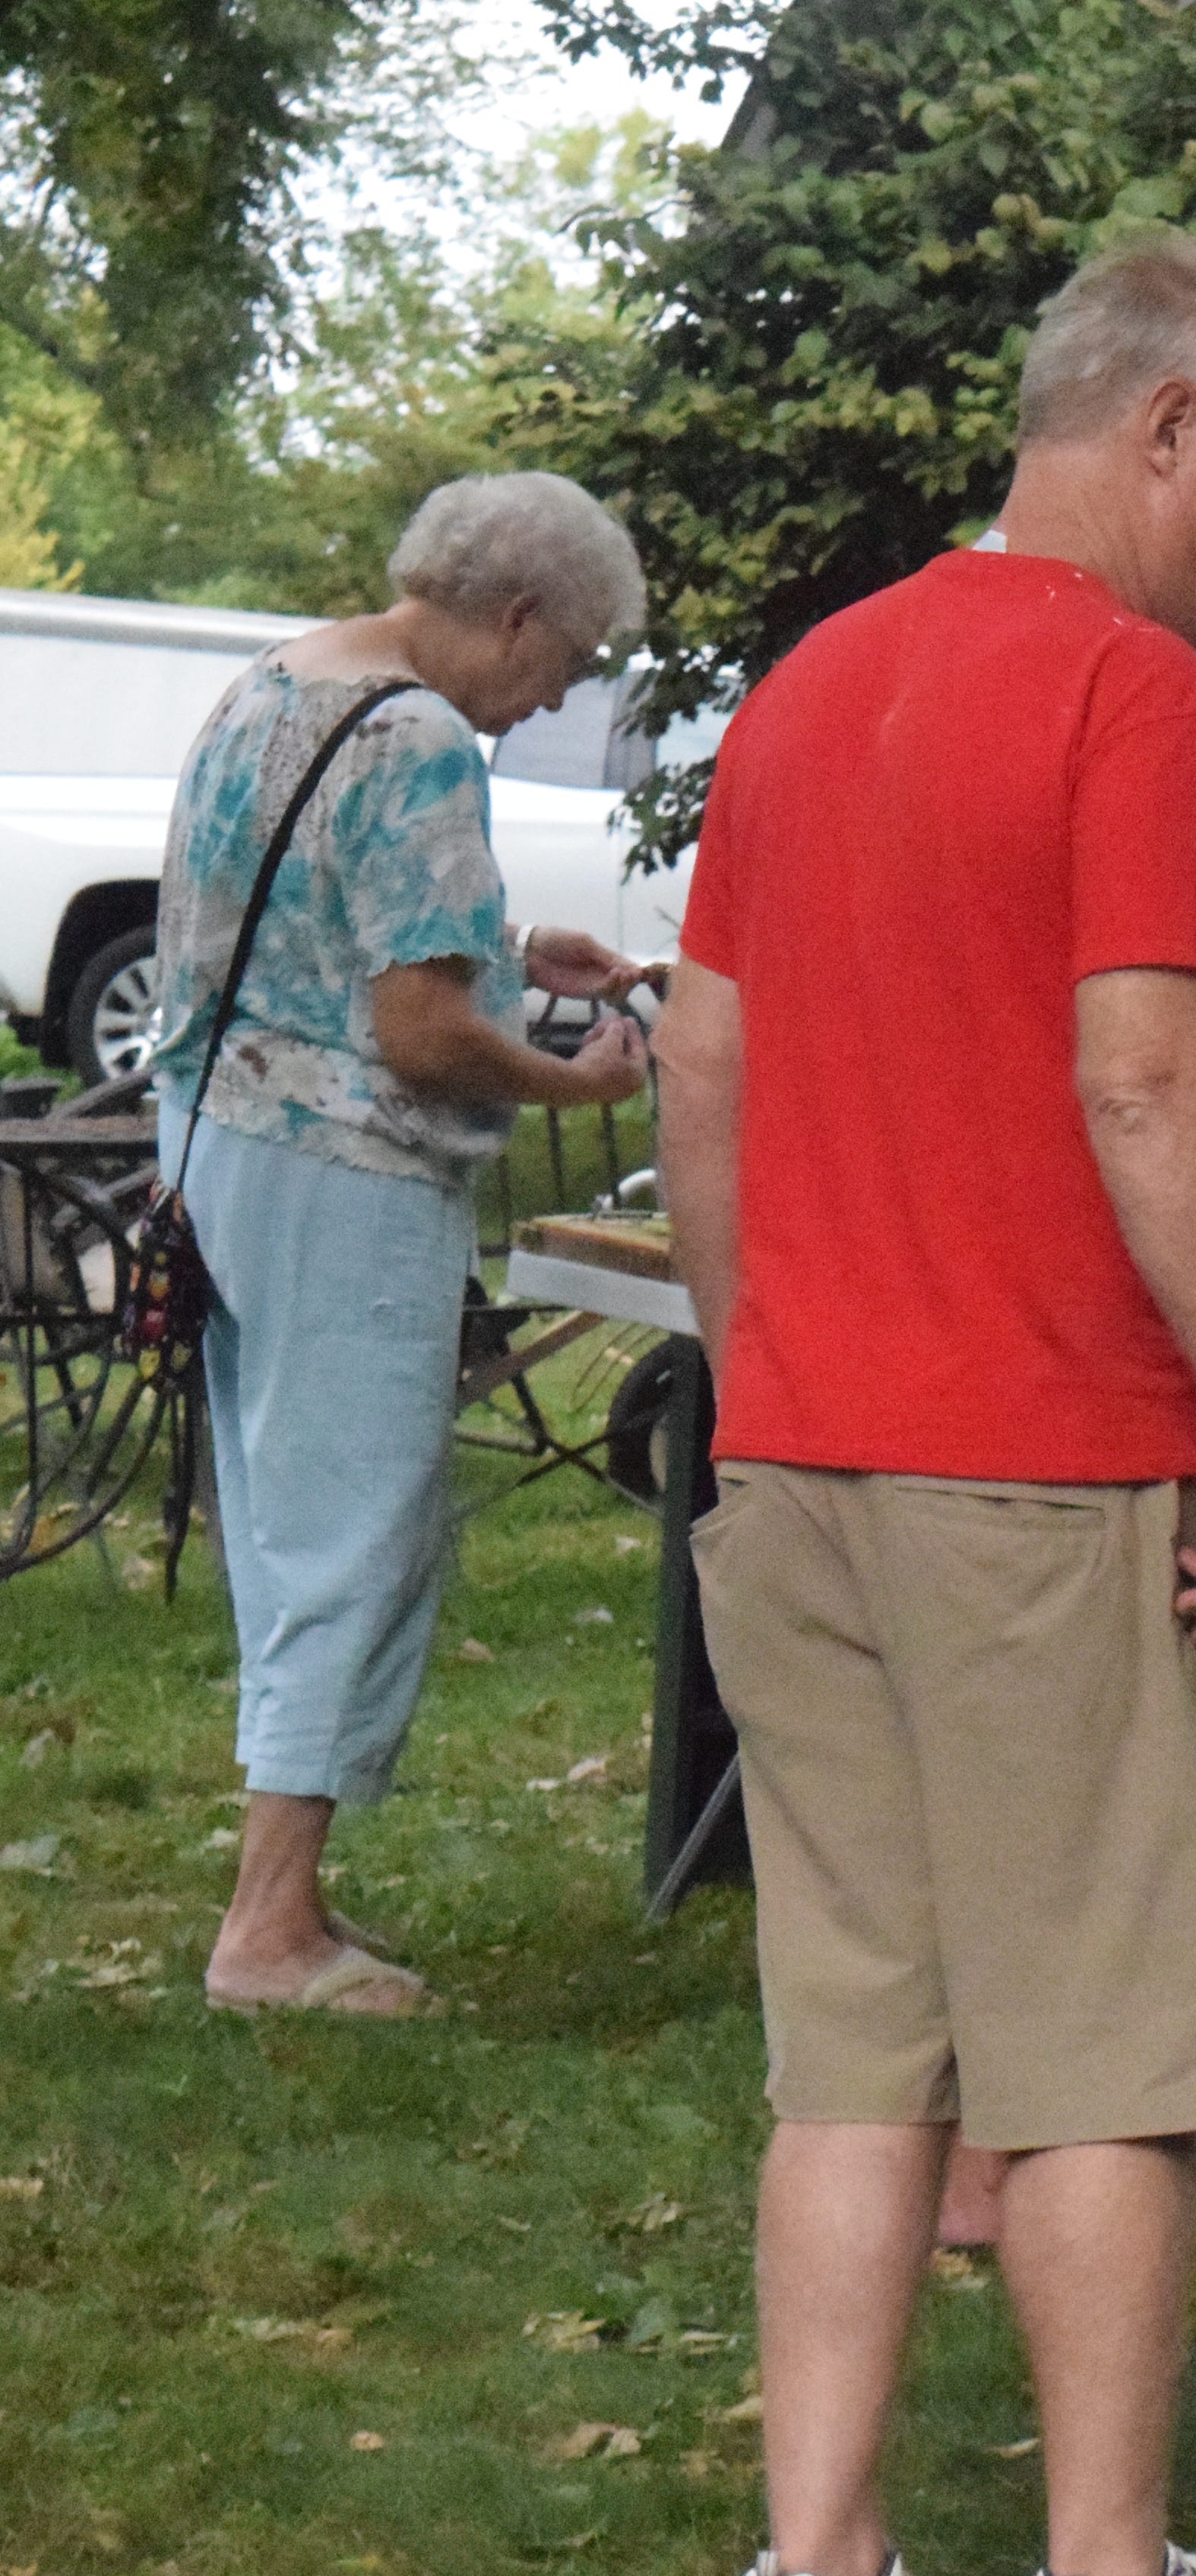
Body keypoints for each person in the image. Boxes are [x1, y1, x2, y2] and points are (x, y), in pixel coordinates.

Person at [654, 231, 1196, 2576]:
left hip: (805, 1459)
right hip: (1044, 1469)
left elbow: (701, 1068)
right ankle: (1106, 2553)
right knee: (1105, 2069)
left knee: (852, 2050)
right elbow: (1150, 1079)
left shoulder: (813, 683)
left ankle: (817, 2545)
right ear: (1164, 427)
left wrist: (767, 1380)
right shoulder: (1136, 695)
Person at [156, 470, 654, 2017]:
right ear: (515, 615)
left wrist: (512, 954)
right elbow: (422, 1034)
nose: (537, 707)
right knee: (358, 1524)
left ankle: (282, 1887)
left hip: (213, 1138)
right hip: (341, 1166)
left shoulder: (282, 676)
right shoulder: (426, 737)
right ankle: (271, 1929)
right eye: (558, 670)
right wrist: (572, 1071)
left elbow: (293, 911)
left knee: (284, 1507)